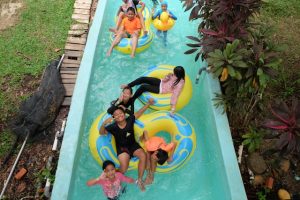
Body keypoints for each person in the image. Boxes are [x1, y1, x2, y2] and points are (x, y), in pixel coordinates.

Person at [99, 98, 155, 191]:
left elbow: (139, 112)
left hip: (133, 145)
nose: (119, 115)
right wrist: (104, 123)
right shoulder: (113, 126)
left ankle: (139, 180)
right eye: (116, 115)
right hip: (122, 148)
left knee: (143, 155)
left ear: (124, 114)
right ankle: (110, 175)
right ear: (114, 117)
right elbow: (101, 133)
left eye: (120, 113)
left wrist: (148, 104)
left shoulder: (130, 120)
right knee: (124, 169)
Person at [121, 66, 185, 115]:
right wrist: (168, 76)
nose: (173, 73)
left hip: (161, 89)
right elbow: (165, 80)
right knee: (143, 78)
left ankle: (132, 99)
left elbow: (175, 94)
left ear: (178, 74)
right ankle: (128, 85)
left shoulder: (180, 83)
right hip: (161, 82)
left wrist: (173, 107)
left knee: (143, 87)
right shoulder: (174, 75)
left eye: (175, 73)